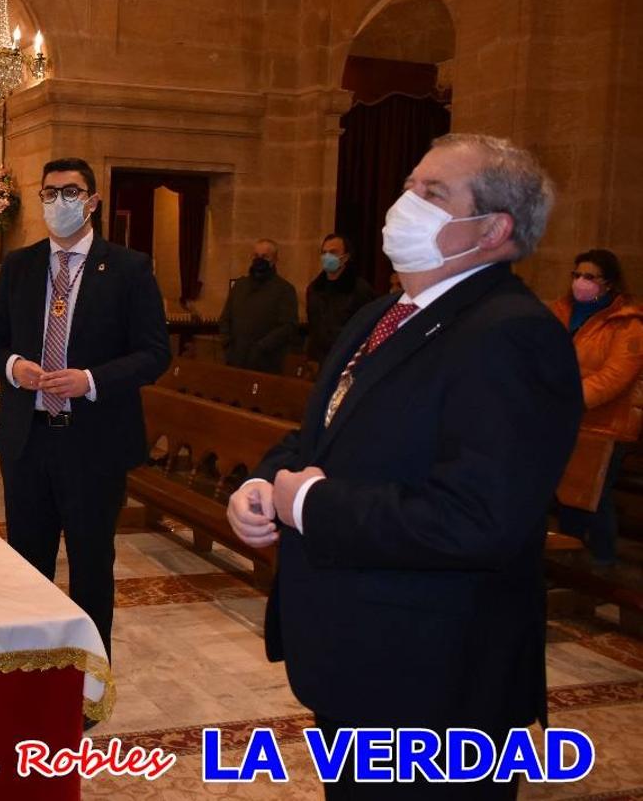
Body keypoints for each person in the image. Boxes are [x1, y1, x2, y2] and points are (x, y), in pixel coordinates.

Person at [227, 134, 582, 799]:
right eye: (410, 185)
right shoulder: (382, 313)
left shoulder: (512, 333)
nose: (404, 204)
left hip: (434, 683)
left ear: (493, 229)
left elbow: (479, 519)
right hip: (358, 658)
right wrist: (259, 485)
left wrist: (308, 506)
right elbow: (319, 436)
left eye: (432, 193)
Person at [0, 157, 170, 659]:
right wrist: (14, 365)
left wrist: (90, 380)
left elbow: (154, 353)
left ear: (92, 201)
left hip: (94, 443)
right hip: (29, 438)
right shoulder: (20, 266)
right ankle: (32, 668)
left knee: (89, 566)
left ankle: (88, 676)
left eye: (70, 191)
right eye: (49, 193)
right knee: (27, 563)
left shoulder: (129, 268)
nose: (58, 202)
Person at [550, 249, 643, 565]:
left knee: (592, 499)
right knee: (567, 496)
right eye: (576, 275)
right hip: (564, 420)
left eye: (589, 277)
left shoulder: (627, 324)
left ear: (609, 284)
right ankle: (568, 566)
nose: (580, 282)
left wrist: (569, 399)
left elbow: (615, 376)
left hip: (602, 424)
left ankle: (603, 566)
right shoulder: (562, 312)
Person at [217, 239, 299, 373]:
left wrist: (262, 347)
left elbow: (288, 326)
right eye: (256, 256)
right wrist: (227, 345)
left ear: (274, 260)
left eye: (265, 256)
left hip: (267, 362)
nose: (259, 259)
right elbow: (225, 318)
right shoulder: (239, 286)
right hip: (236, 359)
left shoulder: (285, 289)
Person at [305, 233, 374, 362]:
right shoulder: (314, 289)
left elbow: (366, 329)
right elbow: (313, 327)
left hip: (346, 359)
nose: (327, 257)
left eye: (333, 252)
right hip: (318, 360)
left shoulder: (359, 289)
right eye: (324, 252)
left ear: (345, 257)